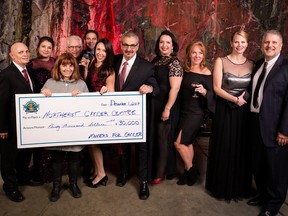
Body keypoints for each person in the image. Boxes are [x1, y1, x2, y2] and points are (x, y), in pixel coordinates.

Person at [205, 30, 254, 201]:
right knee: (225, 146)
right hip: (225, 109)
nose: (239, 45)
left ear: (247, 44)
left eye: (243, 42)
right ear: (231, 43)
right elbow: (217, 88)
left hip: (244, 112)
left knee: (241, 147)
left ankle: (239, 187)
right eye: (236, 42)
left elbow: (252, 89)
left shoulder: (252, 64)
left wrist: (243, 99)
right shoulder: (221, 61)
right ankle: (222, 187)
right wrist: (235, 99)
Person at [247, 30, 288, 216]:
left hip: (275, 126)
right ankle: (263, 194)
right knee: (258, 163)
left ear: (281, 46)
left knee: (275, 168)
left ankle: (274, 203)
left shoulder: (286, 67)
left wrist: (284, 130)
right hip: (255, 121)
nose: (269, 45)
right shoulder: (258, 64)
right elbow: (254, 89)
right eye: (266, 42)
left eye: (274, 43)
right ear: (262, 44)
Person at [114, 32, 159, 200]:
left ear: (138, 47)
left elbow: (156, 87)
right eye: (126, 45)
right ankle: (123, 173)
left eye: (133, 45)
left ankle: (143, 182)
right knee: (122, 147)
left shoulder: (147, 67)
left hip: (138, 117)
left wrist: (150, 87)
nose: (129, 48)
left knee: (141, 150)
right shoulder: (115, 61)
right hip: (117, 115)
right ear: (121, 45)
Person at [41, 53, 89, 202]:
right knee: (57, 159)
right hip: (56, 132)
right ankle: (56, 187)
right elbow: (41, 108)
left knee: (74, 158)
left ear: (74, 67)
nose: (67, 68)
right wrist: (43, 94)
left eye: (70, 65)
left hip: (75, 130)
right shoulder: (50, 82)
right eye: (64, 65)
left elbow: (89, 108)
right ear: (58, 67)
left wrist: (80, 99)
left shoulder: (81, 84)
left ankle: (73, 184)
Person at [174, 41, 215, 186]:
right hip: (183, 111)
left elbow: (213, 94)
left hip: (195, 113)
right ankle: (187, 172)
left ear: (203, 55)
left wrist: (204, 92)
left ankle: (192, 171)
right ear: (189, 54)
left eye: (200, 53)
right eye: (194, 52)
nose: (197, 55)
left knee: (178, 143)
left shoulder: (206, 72)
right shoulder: (184, 69)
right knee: (187, 142)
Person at [0, 42, 36, 202]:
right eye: (21, 52)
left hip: (26, 124)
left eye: (27, 51)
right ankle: (10, 187)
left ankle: (23, 177)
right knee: (9, 158)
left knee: (24, 154)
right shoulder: (6, 75)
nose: (25, 54)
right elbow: (1, 103)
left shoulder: (29, 70)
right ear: (12, 56)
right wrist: (2, 128)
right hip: (11, 125)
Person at [149, 30, 183, 185]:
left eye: (168, 42)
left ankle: (160, 173)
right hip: (154, 105)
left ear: (173, 46)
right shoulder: (156, 60)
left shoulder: (174, 63)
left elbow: (175, 89)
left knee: (163, 140)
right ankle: (155, 168)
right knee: (156, 138)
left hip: (167, 105)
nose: (164, 45)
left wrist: (167, 108)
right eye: (161, 42)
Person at [85, 38, 115, 188]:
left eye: (104, 50)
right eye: (98, 49)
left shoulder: (109, 69)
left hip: (100, 109)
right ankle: (97, 171)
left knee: (93, 142)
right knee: (90, 143)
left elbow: (112, 92)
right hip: (89, 107)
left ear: (108, 52)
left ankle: (102, 174)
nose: (100, 53)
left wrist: (106, 90)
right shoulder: (92, 63)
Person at [28, 36, 56, 184]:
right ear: (38, 47)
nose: (46, 50)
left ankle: (52, 170)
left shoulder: (56, 62)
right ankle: (41, 171)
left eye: (49, 47)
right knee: (40, 139)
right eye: (43, 46)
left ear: (52, 50)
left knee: (52, 137)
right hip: (39, 104)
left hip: (54, 105)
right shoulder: (31, 64)